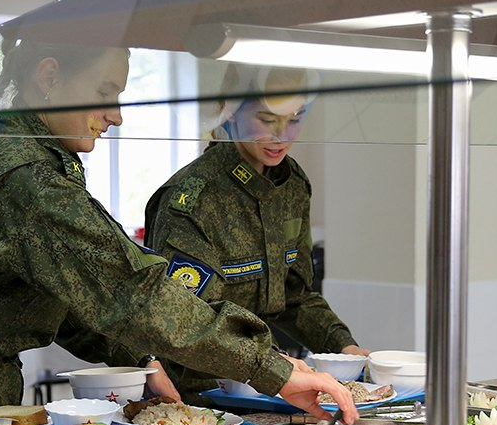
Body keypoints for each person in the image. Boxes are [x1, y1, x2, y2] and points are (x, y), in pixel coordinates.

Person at [0, 37, 357, 425]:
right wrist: (270, 368)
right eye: (105, 91)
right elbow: (132, 289)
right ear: (48, 77)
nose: (117, 115)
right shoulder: (24, 177)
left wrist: (141, 359)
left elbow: (66, 298)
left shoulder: (22, 154)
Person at [145, 65, 368, 398]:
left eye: (296, 119)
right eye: (267, 120)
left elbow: (296, 296)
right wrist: (274, 364)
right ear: (231, 112)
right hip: (197, 395)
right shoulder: (194, 199)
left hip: (266, 383)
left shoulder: (291, 186)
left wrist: (344, 347)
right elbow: (187, 319)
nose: (282, 135)